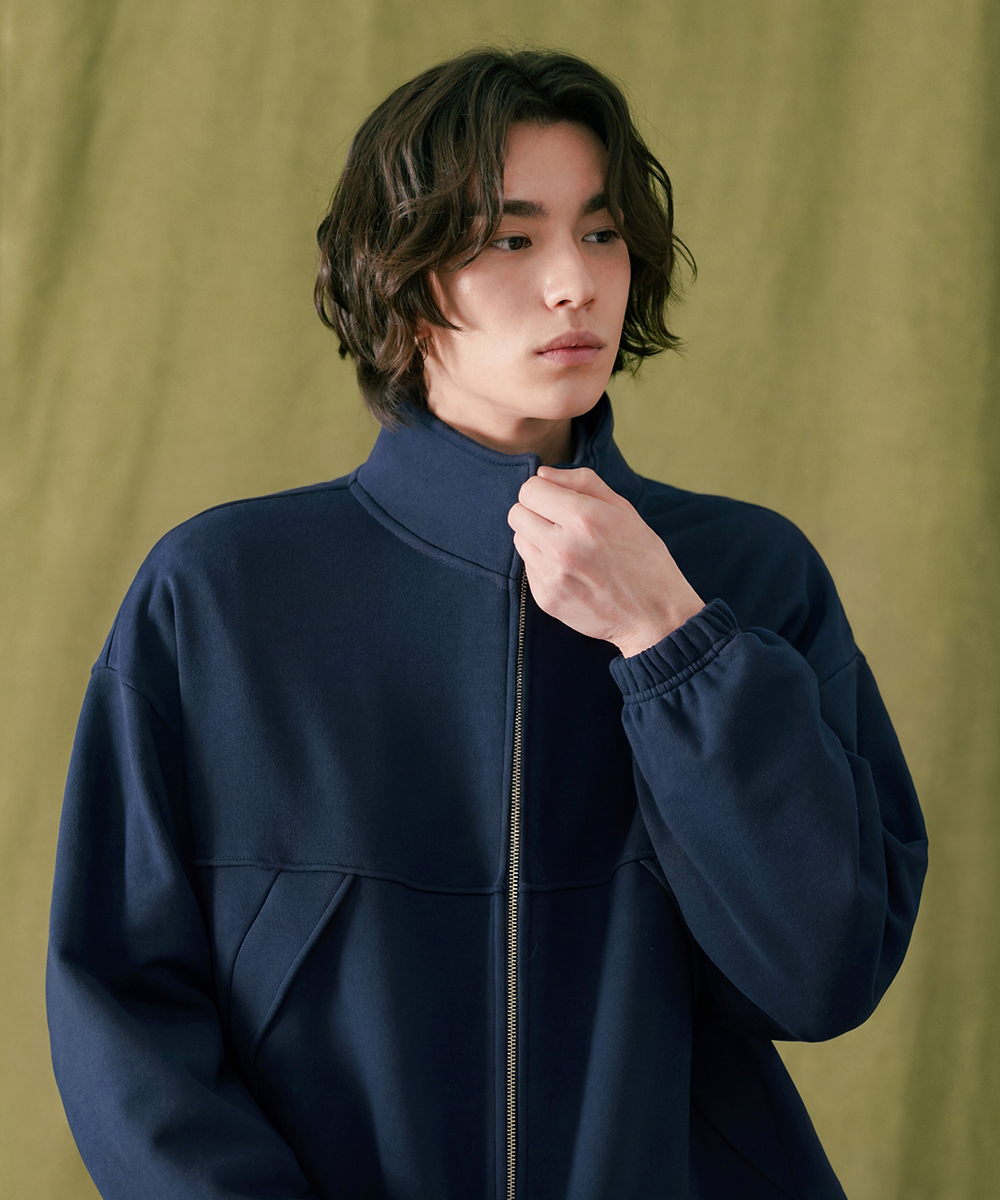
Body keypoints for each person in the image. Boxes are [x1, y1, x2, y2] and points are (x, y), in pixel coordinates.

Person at [47, 45, 927, 1200]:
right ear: (400, 275)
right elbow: (122, 1014)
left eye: (600, 232)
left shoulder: (746, 577)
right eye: (511, 240)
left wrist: (674, 643)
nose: (574, 282)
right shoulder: (219, 595)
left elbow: (819, 975)